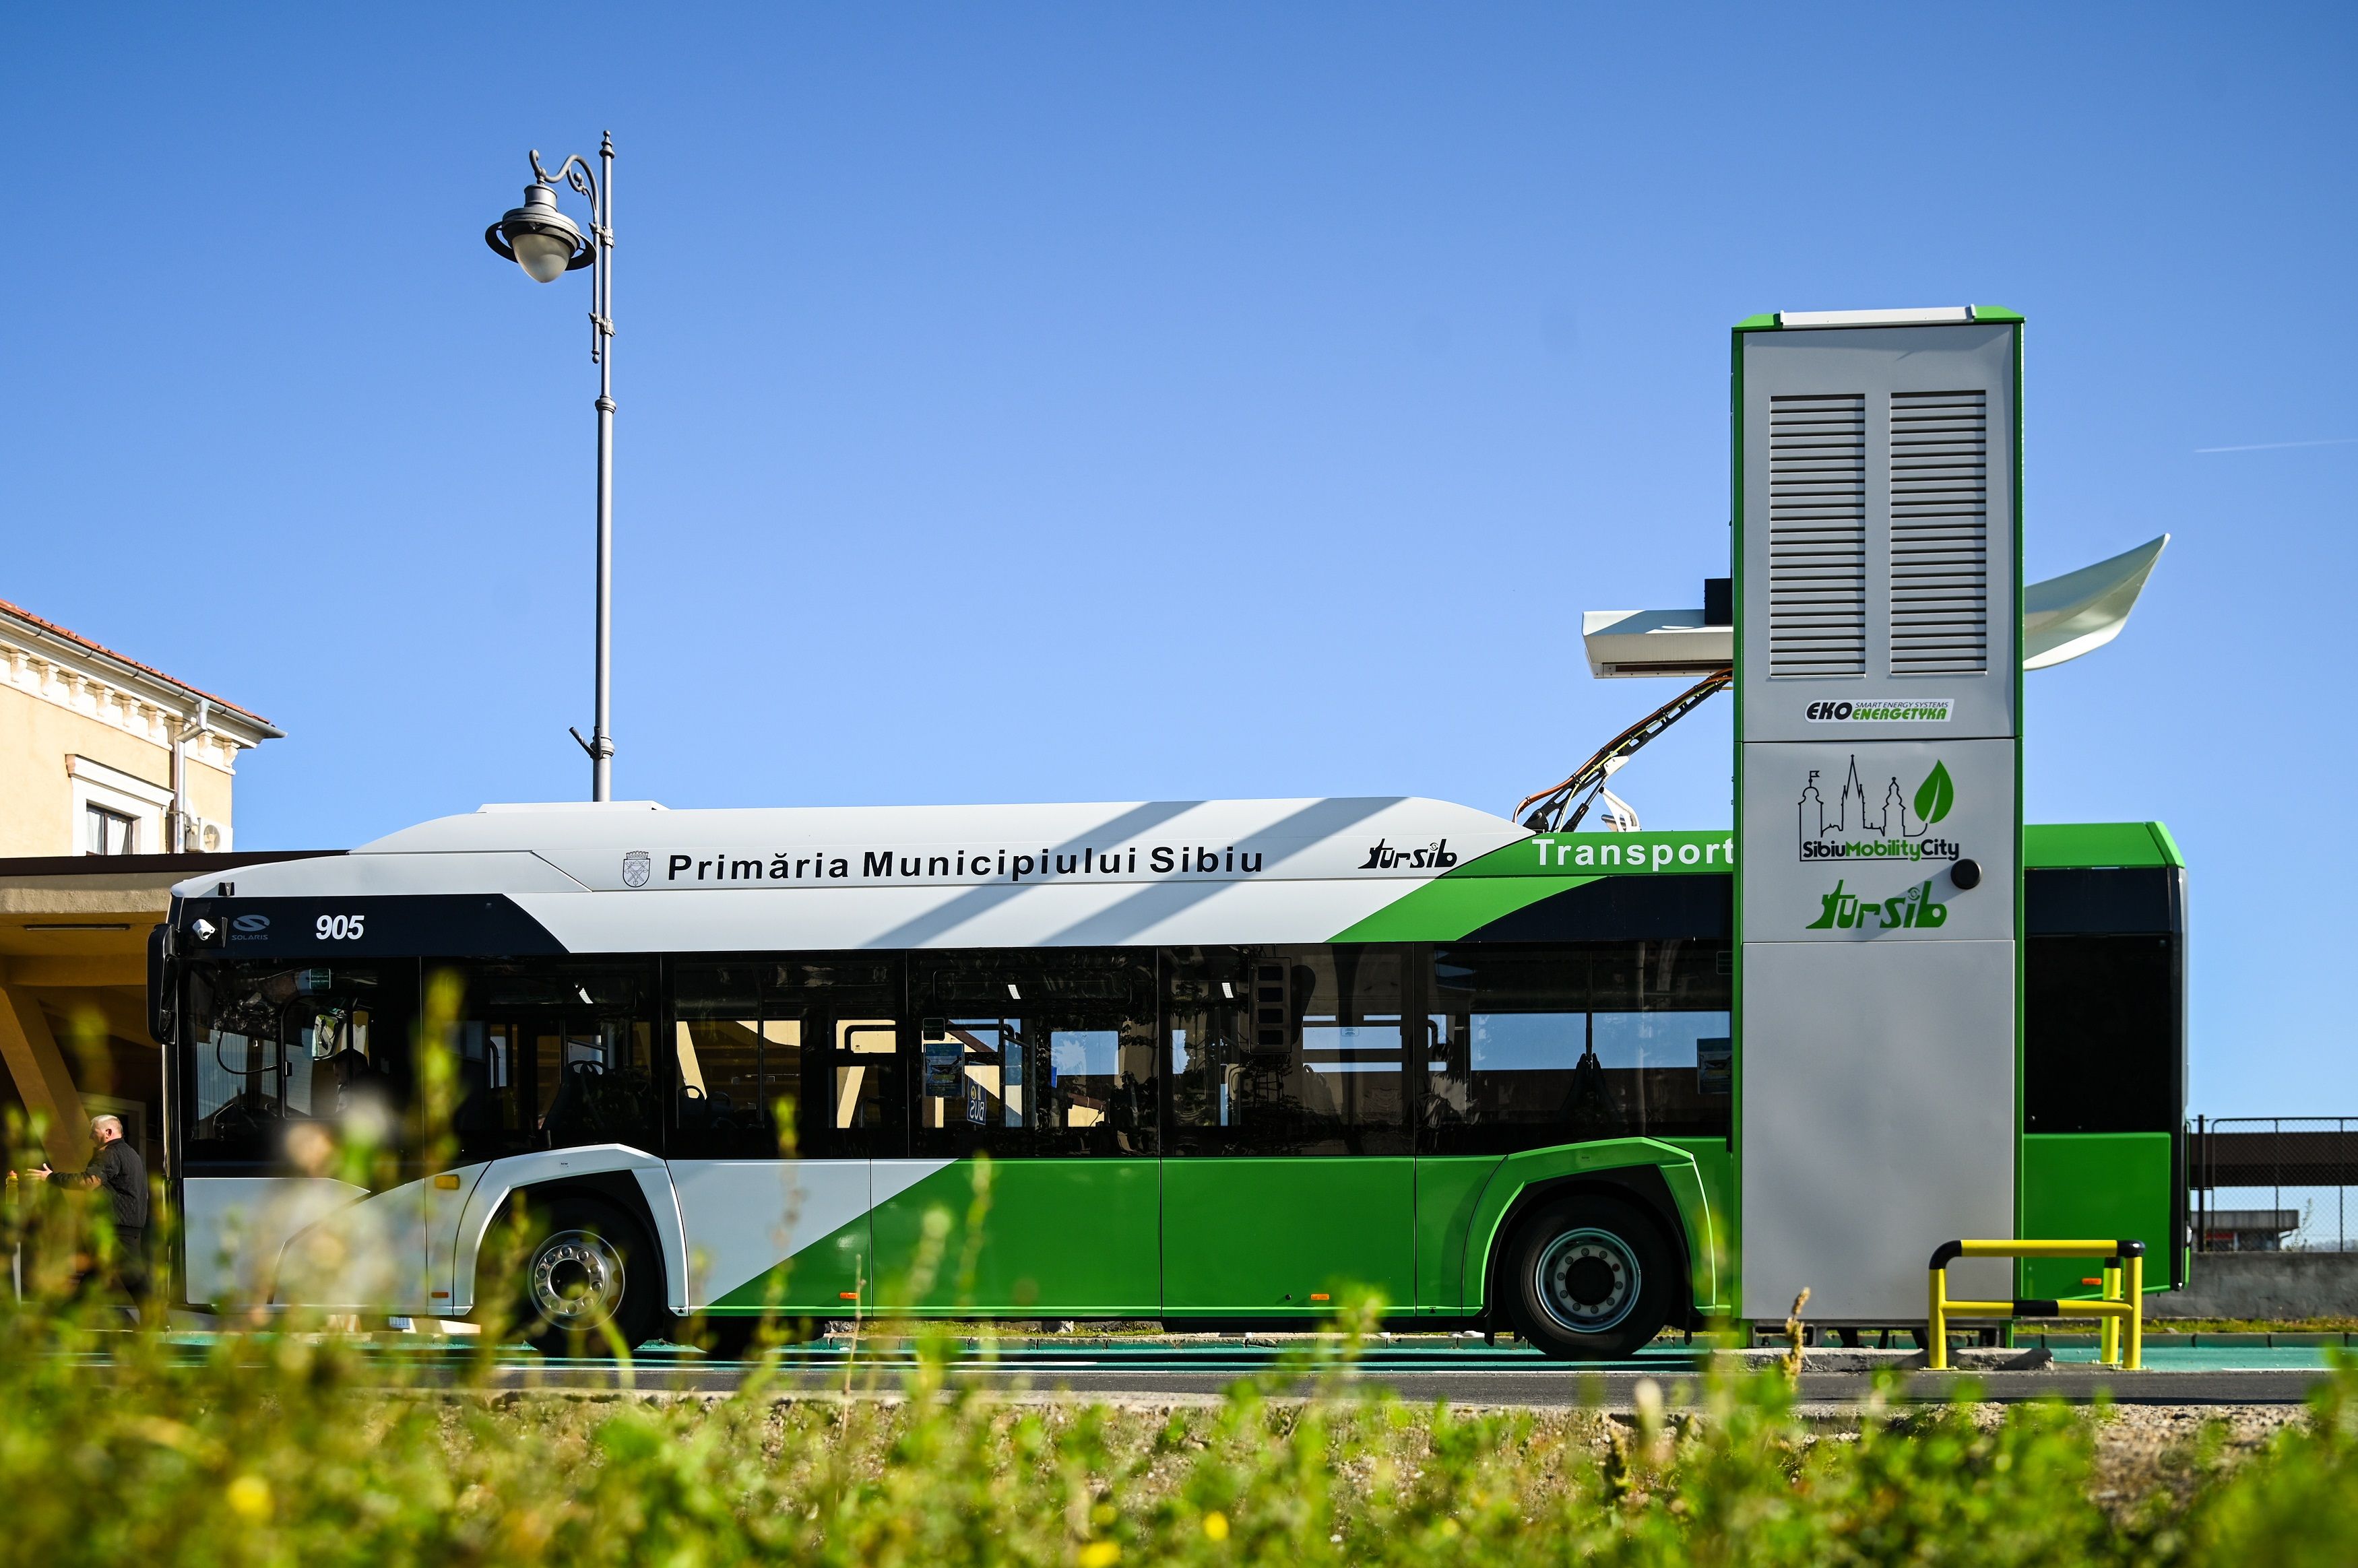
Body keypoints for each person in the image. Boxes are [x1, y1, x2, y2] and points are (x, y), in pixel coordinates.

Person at [36, 1113, 151, 1309]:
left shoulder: (109, 1153)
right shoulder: (132, 1154)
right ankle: (70, 1314)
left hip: (117, 1225)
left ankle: (156, 1320)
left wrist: (52, 1178)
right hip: (130, 1224)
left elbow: (89, 1182)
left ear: (108, 1132)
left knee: (132, 1277)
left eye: (93, 1133)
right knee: (97, 1272)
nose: (90, 1137)